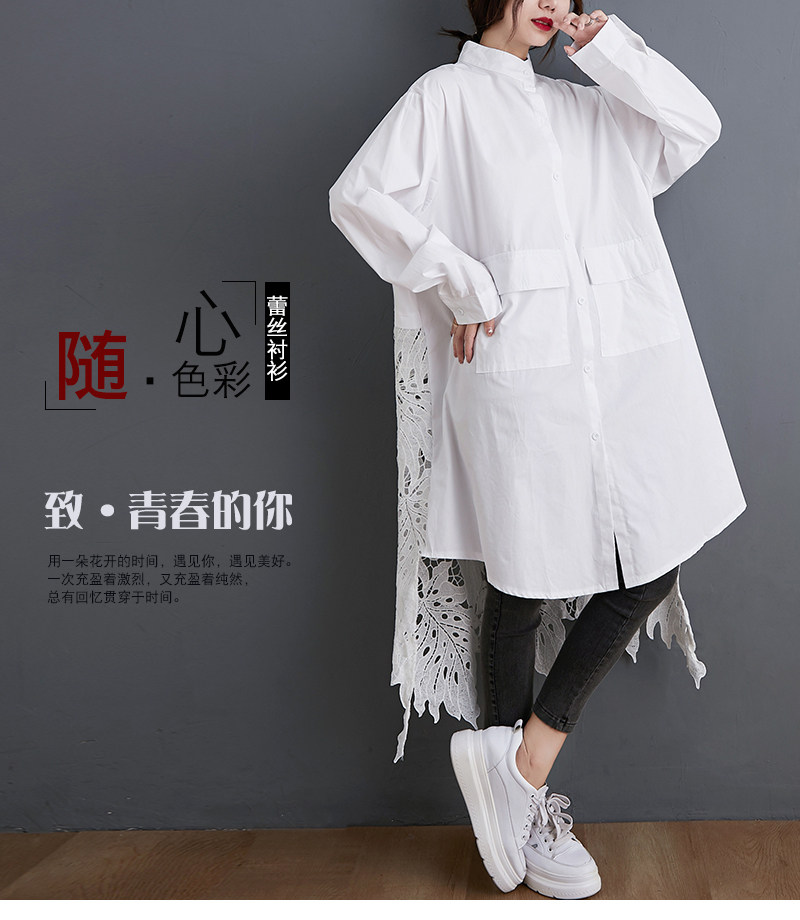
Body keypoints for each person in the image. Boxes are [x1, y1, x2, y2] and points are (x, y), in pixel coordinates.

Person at [328, 0, 746, 900]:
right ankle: (523, 807)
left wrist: (614, 50)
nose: (554, 2)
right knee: (519, 581)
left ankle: (520, 772)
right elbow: (358, 197)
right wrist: (462, 283)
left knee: (653, 557)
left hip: (631, 373)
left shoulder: (588, 104)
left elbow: (694, 126)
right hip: (523, 376)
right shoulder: (444, 100)